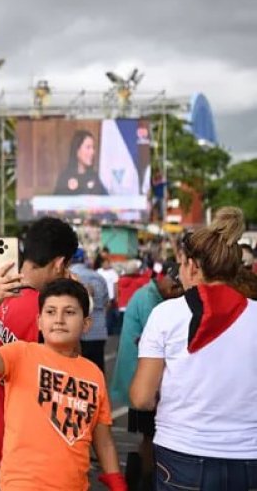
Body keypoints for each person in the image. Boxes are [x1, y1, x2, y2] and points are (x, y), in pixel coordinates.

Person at [130, 207, 257, 491]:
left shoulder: (166, 315)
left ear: (193, 266)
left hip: (181, 455)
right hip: (249, 457)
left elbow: (141, 398)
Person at [0, 277, 125, 490]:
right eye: (50, 312)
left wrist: (115, 478)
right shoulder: (20, 353)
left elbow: (103, 439)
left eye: (69, 312)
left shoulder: (94, 374)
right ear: (40, 322)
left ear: (86, 324)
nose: (59, 319)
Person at [0, 217, 78, 469]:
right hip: (37, 447)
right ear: (60, 263)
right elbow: (69, 369)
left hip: (6, 438)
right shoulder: (45, 310)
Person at [110, 261, 182, 491]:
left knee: (148, 437)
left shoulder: (157, 297)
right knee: (150, 437)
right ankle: (144, 482)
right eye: (176, 286)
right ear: (165, 278)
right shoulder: (149, 300)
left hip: (143, 379)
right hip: (140, 378)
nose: (177, 291)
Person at [70, 248, 110, 374]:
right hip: (98, 331)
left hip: (78, 333)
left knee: (79, 372)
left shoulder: (69, 276)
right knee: (97, 370)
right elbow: (106, 303)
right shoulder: (98, 277)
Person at [54, 130, 107, 195]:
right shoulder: (65, 177)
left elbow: (105, 201)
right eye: (88, 147)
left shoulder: (94, 177)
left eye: (93, 148)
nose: (92, 152)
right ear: (77, 150)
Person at [97, 256, 121, 335]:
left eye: (107, 263)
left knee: (108, 315)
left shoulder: (113, 272)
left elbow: (115, 285)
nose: (106, 264)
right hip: (100, 296)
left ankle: (108, 331)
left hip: (110, 297)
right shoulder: (98, 271)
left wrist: (116, 297)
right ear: (102, 264)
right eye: (104, 263)